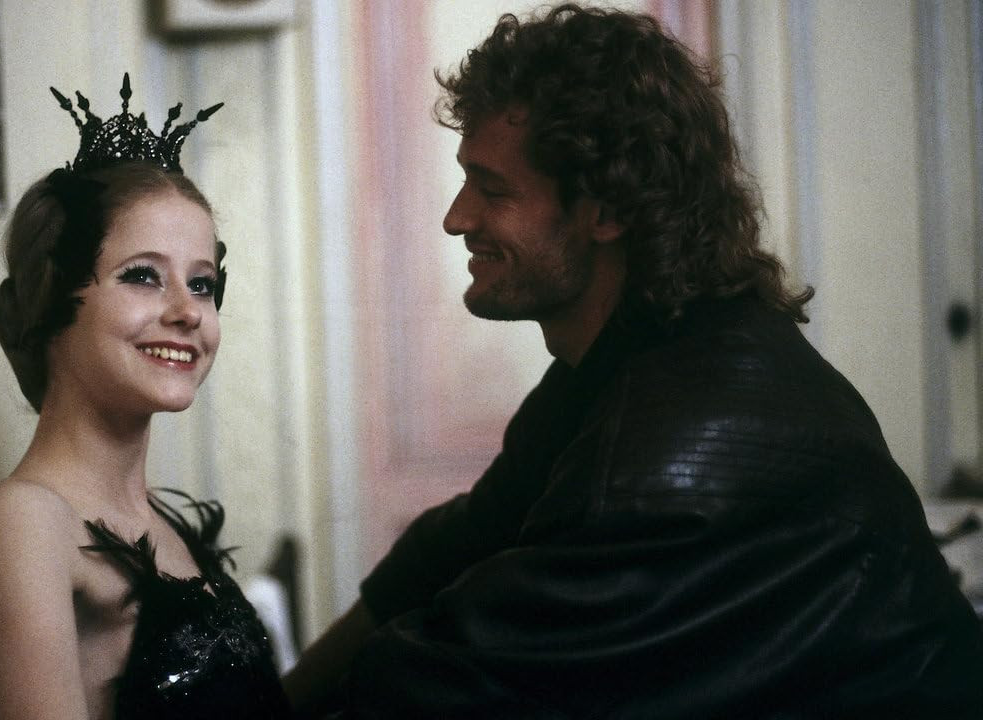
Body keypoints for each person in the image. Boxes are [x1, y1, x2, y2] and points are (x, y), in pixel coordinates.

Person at [285, 5, 983, 718]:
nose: (457, 218)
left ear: (607, 211)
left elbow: (449, 685)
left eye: (493, 190)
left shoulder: (659, 458)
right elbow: (452, 549)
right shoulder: (647, 348)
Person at [0, 75, 289, 720]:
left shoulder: (166, 522)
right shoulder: (29, 519)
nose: (188, 312)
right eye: (143, 276)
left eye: (202, 285)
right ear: (53, 297)